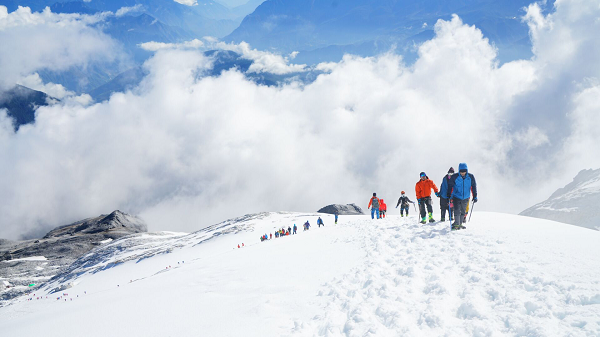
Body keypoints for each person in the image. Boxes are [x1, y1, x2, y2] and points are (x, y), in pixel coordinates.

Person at [446, 163, 478, 230]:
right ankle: (457, 225)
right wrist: (449, 194)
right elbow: (450, 186)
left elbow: (473, 187)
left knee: (463, 211)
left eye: (464, 171)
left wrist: (475, 196)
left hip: (466, 197)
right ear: (459, 170)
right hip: (456, 196)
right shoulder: (455, 177)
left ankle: (459, 224)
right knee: (457, 210)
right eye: (461, 171)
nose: (463, 173)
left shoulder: (471, 177)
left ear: (466, 170)